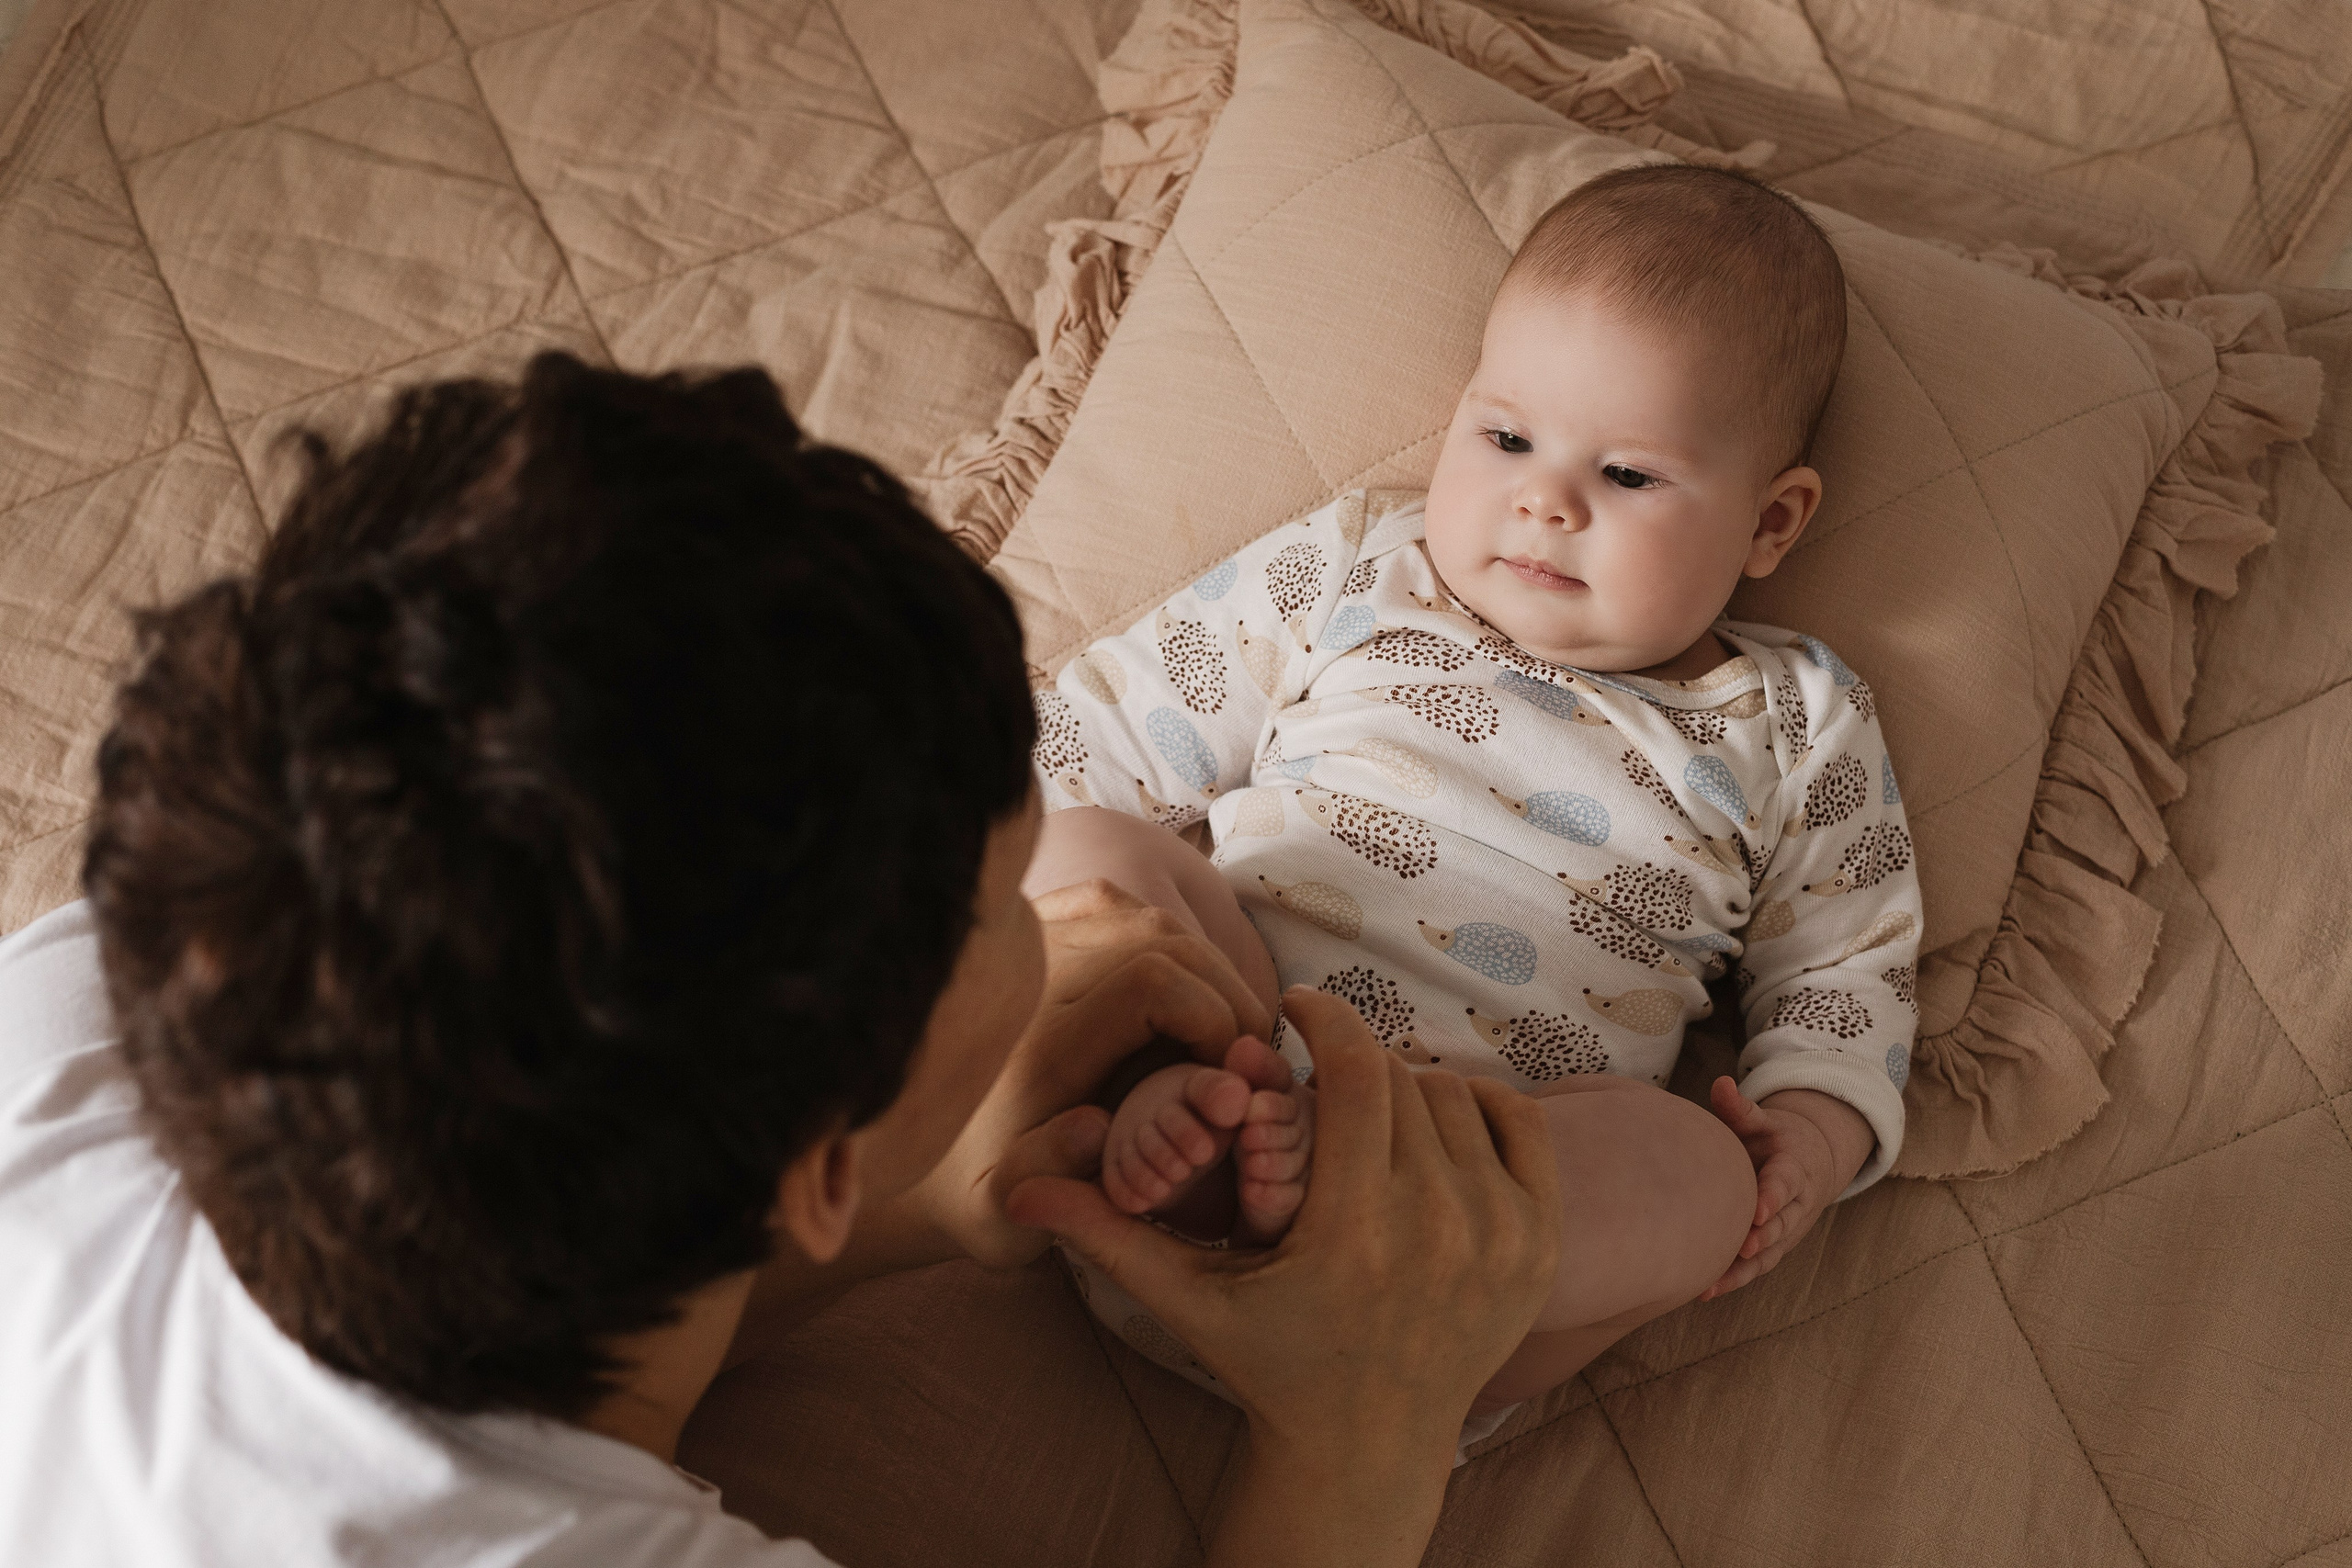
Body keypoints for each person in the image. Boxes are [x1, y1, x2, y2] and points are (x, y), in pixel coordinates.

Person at [0, 353, 1562, 1566]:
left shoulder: (110, 982)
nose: (1063, 925)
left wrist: (892, 1209)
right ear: (816, 1164)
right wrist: (1362, 1435)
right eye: (1006, 908)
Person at [1024, 164, 1922, 1428]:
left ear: (1771, 523)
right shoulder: (1362, 568)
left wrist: (1812, 1140)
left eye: (1629, 476)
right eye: (1506, 440)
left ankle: (1355, 1212)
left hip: (1472, 1238)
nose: (1545, 500)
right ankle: (1192, 1129)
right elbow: (1116, 717)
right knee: (1083, 849)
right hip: (1241, 1037)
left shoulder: (1798, 722)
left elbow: (1849, 966)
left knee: (1703, 1174)